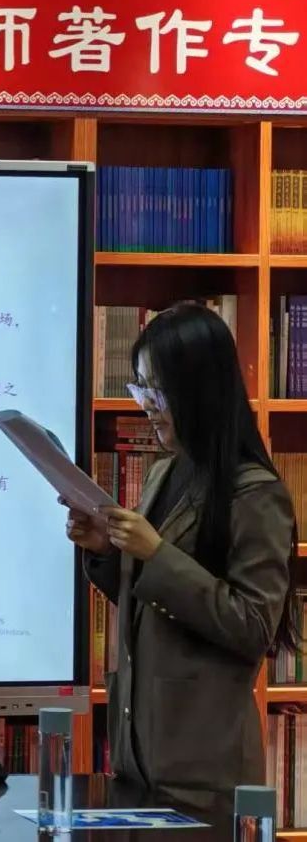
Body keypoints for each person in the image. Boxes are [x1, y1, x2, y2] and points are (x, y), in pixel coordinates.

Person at [66, 301, 299, 808]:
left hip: (204, 771)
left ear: (200, 390)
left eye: (158, 391)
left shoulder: (256, 493)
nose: (147, 406)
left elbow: (253, 626)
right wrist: (106, 550)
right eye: (140, 389)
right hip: (140, 757)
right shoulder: (163, 472)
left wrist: (156, 555)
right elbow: (151, 600)